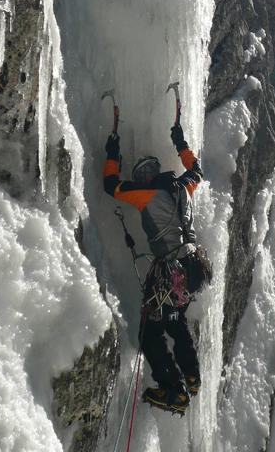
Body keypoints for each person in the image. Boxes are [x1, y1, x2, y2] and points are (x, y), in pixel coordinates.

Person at [103, 122, 204, 414]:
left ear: (145, 177)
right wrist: (181, 143)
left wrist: (112, 152)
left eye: (141, 175)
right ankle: (191, 376)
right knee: (175, 320)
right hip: (193, 267)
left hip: (169, 272)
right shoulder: (185, 187)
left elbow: (111, 185)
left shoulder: (146, 194)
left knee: (150, 331)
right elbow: (197, 169)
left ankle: (174, 390)